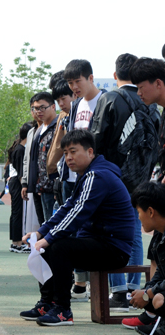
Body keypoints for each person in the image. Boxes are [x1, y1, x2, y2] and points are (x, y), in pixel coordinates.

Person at [20, 129, 134, 326]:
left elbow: (77, 213)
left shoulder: (98, 176)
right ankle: (48, 303)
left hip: (114, 248)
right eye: (65, 153)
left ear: (90, 152)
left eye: (73, 151)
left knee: (58, 247)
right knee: (49, 245)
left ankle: (63, 310)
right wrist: (40, 233)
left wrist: (48, 238)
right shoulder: (88, 175)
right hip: (99, 241)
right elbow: (67, 208)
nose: (68, 158)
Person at [92, 53, 160, 312]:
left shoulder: (110, 98)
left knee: (110, 232)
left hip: (112, 178)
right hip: (141, 177)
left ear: (115, 75)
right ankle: (134, 288)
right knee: (136, 229)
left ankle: (118, 291)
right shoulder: (152, 105)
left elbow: (97, 138)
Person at [63, 58, 105, 301]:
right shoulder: (77, 105)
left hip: (96, 177)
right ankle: (80, 283)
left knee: (97, 229)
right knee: (77, 228)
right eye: (70, 83)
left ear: (90, 78)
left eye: (77, 81)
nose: (74, 87)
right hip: (74, 177)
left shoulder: (105, 100)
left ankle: (117, 288)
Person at [127, 182, 165, 333]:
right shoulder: (159, 235)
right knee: (153, 296)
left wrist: (148, 293)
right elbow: (161, 273)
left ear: (150, 211)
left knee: (158, 298)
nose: (138, 217)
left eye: (138, 212)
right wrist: (145, 291)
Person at [21, 92, 57, 222]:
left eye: (42, 107)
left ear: (53, 107)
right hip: (39, 186)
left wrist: (56, 186)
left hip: (53, 187)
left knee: (53, 224)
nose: (38, 111)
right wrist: (26, 183)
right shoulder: (37, 130)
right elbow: (30, 159)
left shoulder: (59, 127)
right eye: (35, 108)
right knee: (44, 224)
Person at [46, 79, 74, 203]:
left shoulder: (82, 112)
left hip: (77, 175)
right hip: (66, 175)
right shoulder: (64, 116)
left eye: (63, 99)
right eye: (58, 101)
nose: (61, 104)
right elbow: (57, 145)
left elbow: (58, 145)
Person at [8, 122, 32, 253]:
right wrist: (24, 185)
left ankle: (16, 243)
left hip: (15, 182)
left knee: (16, 213)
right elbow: (21, 171)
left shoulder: (19, 148)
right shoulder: (20, 150)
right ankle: (17, 243)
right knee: (18, 213)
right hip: (17, 183)